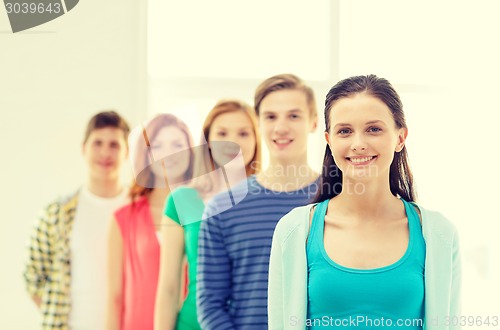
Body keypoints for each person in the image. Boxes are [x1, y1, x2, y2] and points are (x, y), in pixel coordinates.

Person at [268, 75, 462, 330]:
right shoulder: (293, 231)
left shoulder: (439, 234)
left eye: (373, 129)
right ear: (329, 140)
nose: (358, 144)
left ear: (400, 138)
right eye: (345, 131)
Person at [197, 74, 320, 330]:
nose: (281, 127)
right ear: (259, 123)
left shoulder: (339, 198)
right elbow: (210, 305)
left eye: (294, 116)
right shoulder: (221, 208)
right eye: (271, 117)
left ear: (314, 122)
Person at [154, 99, 261, 330]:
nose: (232, 141)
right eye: (222, 133)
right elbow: (169, 287)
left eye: (243, 133)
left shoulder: (271, 200)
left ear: (256, 140)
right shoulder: (181, 200)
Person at [23, 111, 131, 330]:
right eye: (97, 143)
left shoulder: (139, 210)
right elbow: (33, 278)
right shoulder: (57, 214)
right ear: (84, 148)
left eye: (114, 145)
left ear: (127, 152)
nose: (105, 153)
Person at [107, 114, 195, 330]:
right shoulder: (123, 218)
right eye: (157, 145)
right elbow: (115, 297)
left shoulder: (202, 214)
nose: (169, 153)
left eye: (177, 144)